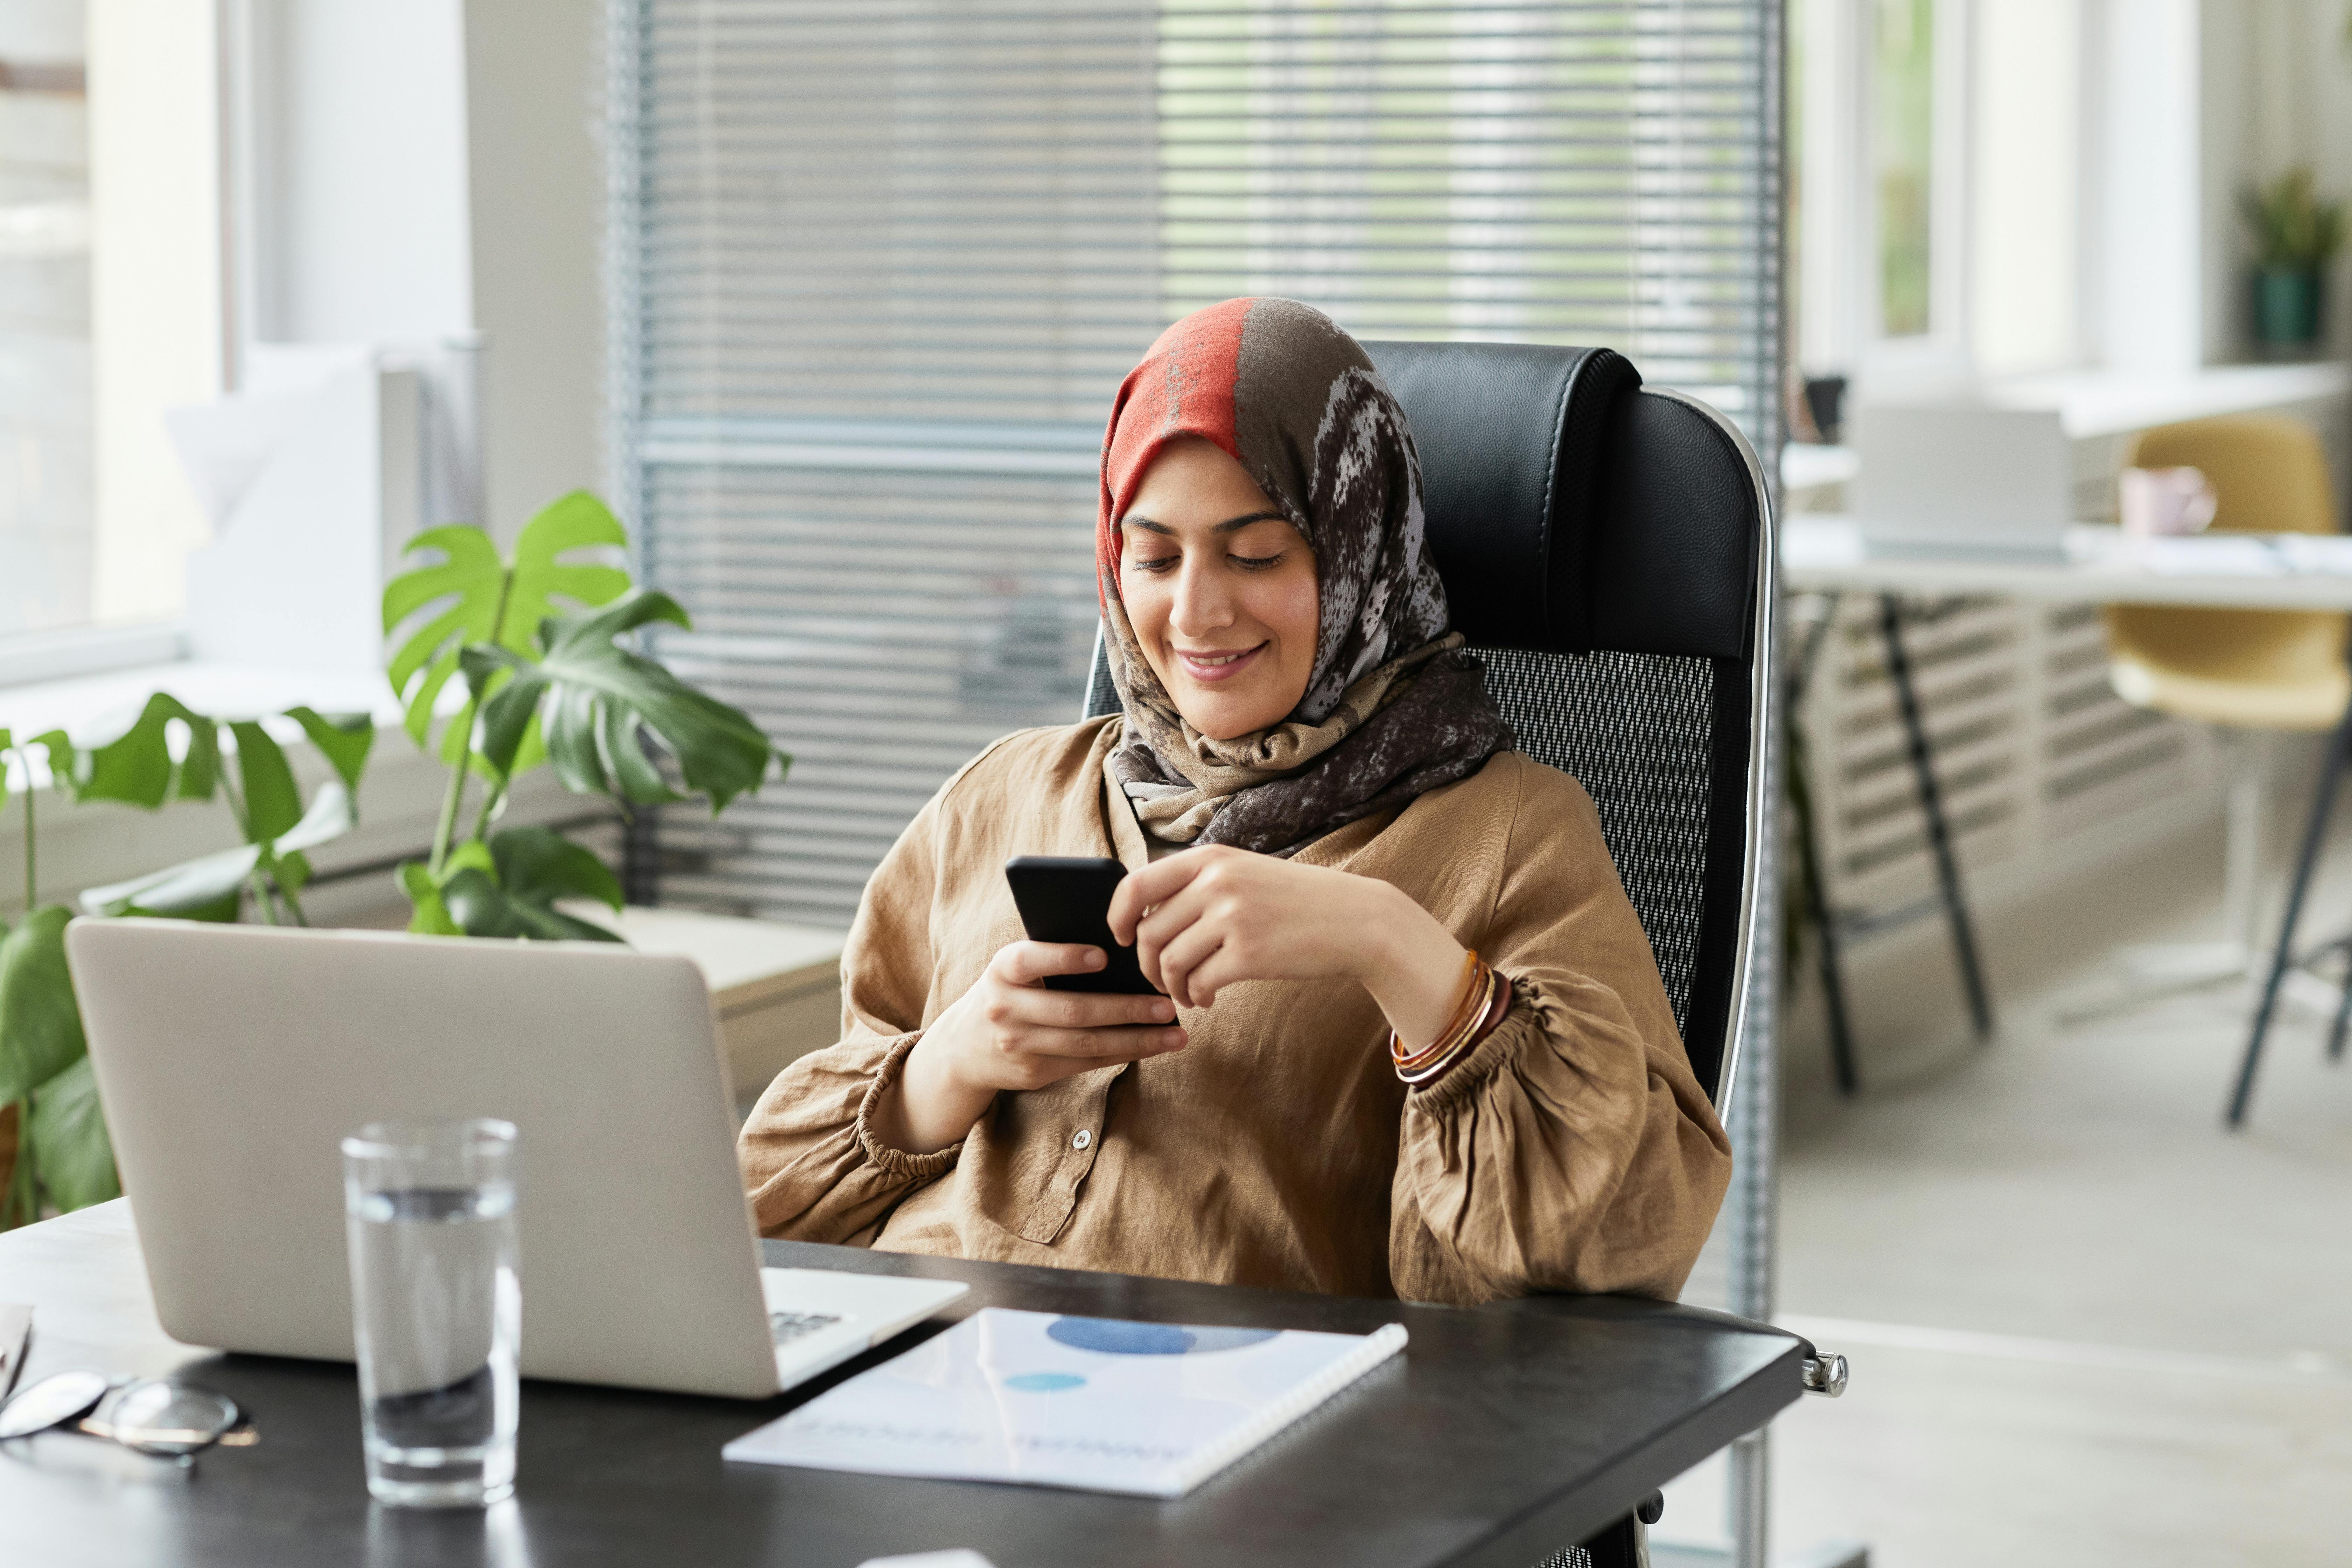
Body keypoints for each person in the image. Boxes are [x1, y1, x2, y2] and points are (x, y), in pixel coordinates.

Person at [738, 298, 1730, 1305]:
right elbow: (763, 1205)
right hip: (922, 1382)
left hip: (1247, 1421)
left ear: (1356, 556)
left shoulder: (1511, 832)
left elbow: (1621, 1243)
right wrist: (950, 1065)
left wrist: (1392, 946)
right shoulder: (996, 797)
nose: (1198, 612)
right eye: (1155, 557)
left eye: (1257, 554)